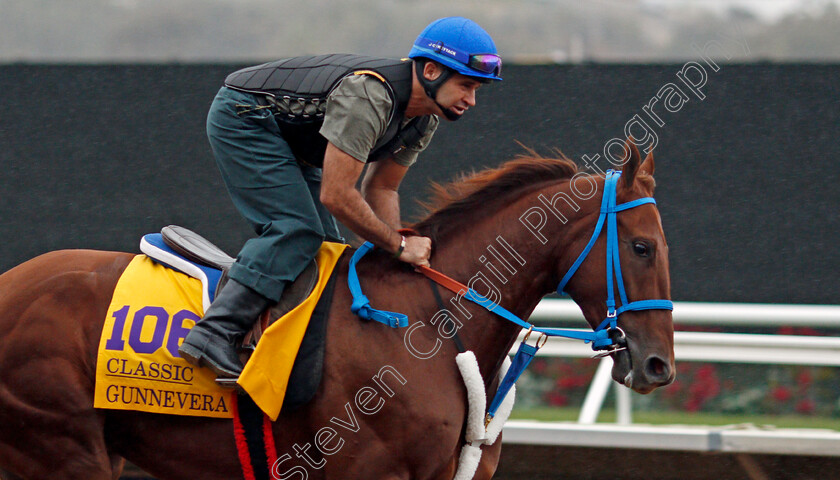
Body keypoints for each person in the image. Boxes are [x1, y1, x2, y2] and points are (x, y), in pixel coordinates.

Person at [178, 17, 503, 378]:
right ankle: (214, 332)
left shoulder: (424, 119)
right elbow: (336, 195)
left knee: (329, 249)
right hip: (244, 117)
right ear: (430, 70)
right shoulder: (371, 95)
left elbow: (381, 188)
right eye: (467, 86)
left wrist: (393, 254)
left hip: (293, 140)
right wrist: (397, 245)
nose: (472, 100)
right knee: (297, 230)